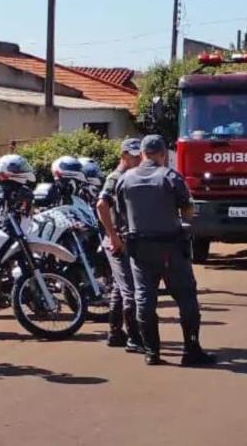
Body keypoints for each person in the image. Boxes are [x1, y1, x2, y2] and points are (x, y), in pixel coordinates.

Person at [113, 135, 215, 367]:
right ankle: (191, 351)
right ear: (162, 154)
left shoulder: (125, 179)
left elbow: (119, 214)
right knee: (186, 297)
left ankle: (152, 352)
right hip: (171, 248)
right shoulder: (170, 177)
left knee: (144, 299)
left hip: (139, 249)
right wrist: (185, 223)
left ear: (142, 153)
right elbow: (187, 208)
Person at [97, 138, 144, 352]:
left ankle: (115, 333)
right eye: (133, 156)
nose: (137, 159)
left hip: (126, 239)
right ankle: (135, 339)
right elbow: (101, 205)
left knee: (118, 287)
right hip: (118, 242)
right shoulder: (116, 178)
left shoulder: (132, 177)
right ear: (123, 155)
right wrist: (113, 236)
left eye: (139, 155)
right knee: (130, 291)